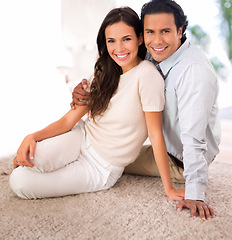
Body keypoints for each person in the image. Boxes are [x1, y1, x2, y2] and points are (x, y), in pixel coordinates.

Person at [10, 7, 184, 201]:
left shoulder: (147, 75)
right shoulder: (105, 71)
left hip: (101, 166)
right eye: (111, 41)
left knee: (19, 182)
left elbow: (155, 134)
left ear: (140, 39)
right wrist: (32, 136)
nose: (119, 48)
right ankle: (38, 159)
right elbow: (69, 120)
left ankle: (37, 168)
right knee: (34, 158)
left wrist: (168, 188)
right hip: (80, 137)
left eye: (126, 39)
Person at [71, 0, 221, 221]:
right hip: (162, 145)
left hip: (180, 161)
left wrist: (194, 193)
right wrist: (85, 92)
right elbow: (121, 78)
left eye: (166, 31)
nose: (157, 40)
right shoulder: (156, 53)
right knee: (97, 146)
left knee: (107, 156)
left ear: (180, 31)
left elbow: (194, 139)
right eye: (150, 32)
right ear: (142, 34)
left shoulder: (194, 72)